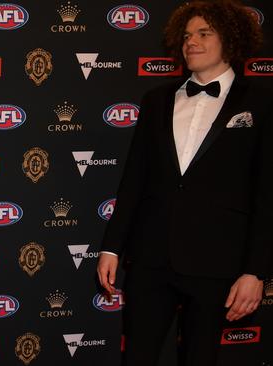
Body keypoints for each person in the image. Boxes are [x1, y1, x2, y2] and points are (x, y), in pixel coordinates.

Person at [96, 1, 272, 365]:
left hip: (217, 261)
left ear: (231, 40)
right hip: (150, 257)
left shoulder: (262, 103)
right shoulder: (157, 100)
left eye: (204, 33)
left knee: (199, 358)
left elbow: (266, 195)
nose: (191, 42)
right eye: (187, 35)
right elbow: (134, 180)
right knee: (138, 357)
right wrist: (111, 247)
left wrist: (255, 272)